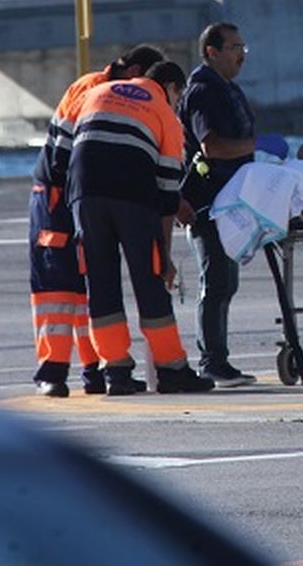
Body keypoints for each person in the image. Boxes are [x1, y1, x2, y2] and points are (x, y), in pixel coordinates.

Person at [28, 43, 163, 398]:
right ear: (134, 70)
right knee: (58, 290)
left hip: (83, 194)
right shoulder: (89, 89)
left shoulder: (116, 92)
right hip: (58, 196)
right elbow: (63, 155)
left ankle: (97, 370)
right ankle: (52, 371)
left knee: (92, 286)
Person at [71, 60, 214, 395]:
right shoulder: (163, 111)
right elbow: (167, 190)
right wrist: (163, 256)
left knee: (101, 283)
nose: (178, 104)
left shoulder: (98, 92)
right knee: (149, 281)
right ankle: (171, 368)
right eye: (178, 96)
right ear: (171, 88)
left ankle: (115, 371)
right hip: (131, 197)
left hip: (84, 194)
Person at [176, 21, 260, 387]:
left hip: (231, 199)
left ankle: (217, 360)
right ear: (212, 51)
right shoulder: (203, 91)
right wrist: (258, 147)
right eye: (234, 47)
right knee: (216, 281)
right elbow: (212, 146)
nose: (241, 54)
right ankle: (212, 362)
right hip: (209, 201)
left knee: (226, 282)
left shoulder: (228, 89)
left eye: (243, 46)